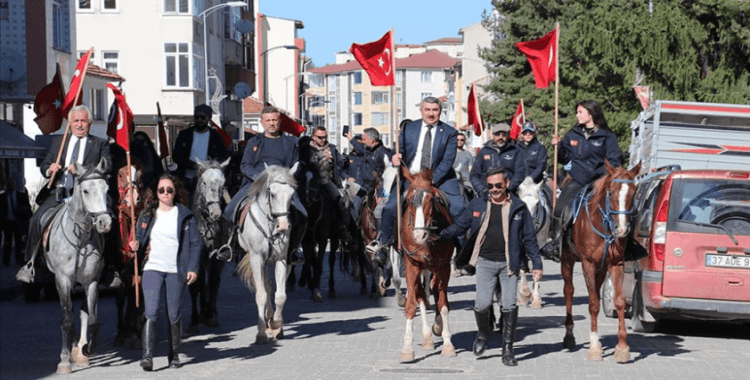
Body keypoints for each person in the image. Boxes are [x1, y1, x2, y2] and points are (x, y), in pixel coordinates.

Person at [439, 167, 543, 366]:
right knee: (482, 304)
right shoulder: (478, 204)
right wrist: (438, 235)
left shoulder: (519, 207)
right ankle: (483, 333)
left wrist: (537, 264)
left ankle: (507, 350)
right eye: (490, 186)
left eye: (497, 185)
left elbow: (529, 238)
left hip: (509, 264)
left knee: (509, 305)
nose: (494, 189)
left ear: (506, 184)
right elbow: (459, 226)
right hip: (485, 263)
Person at [19, 105, 112, 282]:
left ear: (90, 123)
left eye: (83, 121)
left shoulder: (100, 143)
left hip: (88, 197)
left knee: (110, 221)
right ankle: (31, 264)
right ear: (69, 124)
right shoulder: (59, 143)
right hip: (59, 193)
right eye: (75, 121)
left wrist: (82, 170)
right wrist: (50, 169)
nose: (79, 125)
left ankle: (110, 267)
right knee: (35, 221)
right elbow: (45, 165)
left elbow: (107, 166)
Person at [369, 97, 465, 266]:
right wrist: (396, 158)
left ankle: (462, 250)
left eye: (435, 110)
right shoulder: (409, 128)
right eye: (427, 110)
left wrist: (430, 180)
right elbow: (401, 151)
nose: (431, 113)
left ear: (440, 111)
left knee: (458, 208)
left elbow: (448, 160)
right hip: (410, 177)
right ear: (421, 111)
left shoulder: (450, 132)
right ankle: (383, 245)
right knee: (390, 207)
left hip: (439, 178)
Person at [129, 174, 200, 371]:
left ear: (175, 192)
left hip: (176, 269)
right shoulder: (147, 215)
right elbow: (139, 241)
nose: (165, 193)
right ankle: (147, 356)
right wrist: (135, 245)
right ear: (156, 193)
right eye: (162, 190)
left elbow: (195, 243)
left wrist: (193, 268)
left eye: (169, 189)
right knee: (151, 312)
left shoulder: (186, 215)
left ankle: (174, 354)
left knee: (174, 313)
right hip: (152, 267)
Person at [540, 100, 623, 261]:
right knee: (560, 208)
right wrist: (558, 147)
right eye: (577, 112)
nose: (577, 115)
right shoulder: (572, 134)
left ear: (591, 114)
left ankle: (624, 245)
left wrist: (606, 177)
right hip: (578, 179)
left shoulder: (607, 136)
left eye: (580, 112)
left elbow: (615, 161)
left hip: (600, 181)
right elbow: (564, 159)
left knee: (620, 207)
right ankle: (556, 243)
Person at [223, 106, 306, 264]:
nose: (272, 123)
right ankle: (230, 245)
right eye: (268, 120)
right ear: (262, 122)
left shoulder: (290, 143)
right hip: (256, 183)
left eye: (275, 120)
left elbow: (296, 165)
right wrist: (260, 178)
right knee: (229, 210)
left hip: (281, 185)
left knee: (303, 214)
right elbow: (245, 165)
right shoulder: (254, 141)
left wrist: (286, 178)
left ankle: (295, 248)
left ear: (280, 121)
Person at [299, 126, 352, 244]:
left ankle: (343, 229)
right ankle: (297, 231)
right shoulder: (306, 149)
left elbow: (339, 165)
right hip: (310, 181)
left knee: (339, 200)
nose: (323, 140)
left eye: (325, 137)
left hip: (326, 180)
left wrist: (345, 163)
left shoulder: (332, 148)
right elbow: (301, 164)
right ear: (313, 136)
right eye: (320, 137)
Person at [172, 104, 230, 194]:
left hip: (209, 179)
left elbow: (222, 156)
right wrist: (195, 166)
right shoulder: (184, 134)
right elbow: (176, 156)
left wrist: (210, 167)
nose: (199, 120)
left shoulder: (216, 137)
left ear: (209, 118)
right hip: (186, 178)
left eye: (203, 117)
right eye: (197, 117)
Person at [470, 123, 525, 197]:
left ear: (508, 135)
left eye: (504, 135)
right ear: (493, 135)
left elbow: (520, 173)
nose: (500, 137)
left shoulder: (516, 151)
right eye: (497, 134)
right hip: (486, 192)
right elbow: (474, 175)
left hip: (509, 193)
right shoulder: (484, 151)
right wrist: (481, 190)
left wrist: (509, 187)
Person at [454, 131, 475, 199]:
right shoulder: (449, 154)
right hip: (453, 181)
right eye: (457, 140)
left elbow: (471, 170)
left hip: (466, 183)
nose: (459, 141)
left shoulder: (468, 154)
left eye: (462, 140)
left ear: (464, 141)